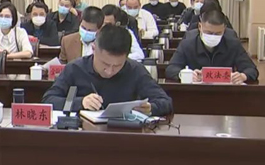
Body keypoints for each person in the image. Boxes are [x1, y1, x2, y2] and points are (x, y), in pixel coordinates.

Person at [42, 25, 173, 116]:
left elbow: (166, 102)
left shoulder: (135, 70)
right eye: (105, 63)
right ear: (93, 49)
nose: (109, 71)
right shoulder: (75, 68)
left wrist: (151, 108)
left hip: (125, 137)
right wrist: (80, 102)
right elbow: (48, 100)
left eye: (117, 65)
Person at [166, 11, 257, 84]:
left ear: (224, 29)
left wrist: (243, 76)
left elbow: (251, 69)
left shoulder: (233, 43)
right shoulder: (188, 43)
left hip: (226, 93)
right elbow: (171, 69)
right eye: (209, 33)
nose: (213, 36)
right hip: (195, 93)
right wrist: (186, 75)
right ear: (200, 27)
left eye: (218, 33)